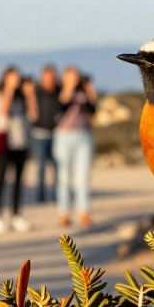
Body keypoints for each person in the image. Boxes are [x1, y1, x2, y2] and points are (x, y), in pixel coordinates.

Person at [0, 67, 36, 233]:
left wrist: (29, 94)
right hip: (4, 143)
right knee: (1, 179)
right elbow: (2, 111)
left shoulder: (22, 96)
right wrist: (9, 88)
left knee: (19, 181)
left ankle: (16, 215)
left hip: (21, 143)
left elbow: (34, 115)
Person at [53, 66, 98, 227]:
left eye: (76, 76)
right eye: (70, 76)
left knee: (83, 175)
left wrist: (90, 89)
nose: (74, 79)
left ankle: (83, 211)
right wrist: (69, 87)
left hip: (83, 135)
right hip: (64, 135)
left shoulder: (84, 93)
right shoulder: (59, 90)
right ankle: (64, 212)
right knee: (64, 176)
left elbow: (93, 109)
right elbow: (60, 106)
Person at [30, 65, 60, 203]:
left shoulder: (59, 92)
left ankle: (55, 195)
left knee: (57, 167)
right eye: (47, 77)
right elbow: (32, 114)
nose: (50, 80)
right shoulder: (36, 93)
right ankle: (40, 196)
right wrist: (29, 94)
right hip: (39, 134)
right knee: (40, 167)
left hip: (56, 134)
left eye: (52, 77)